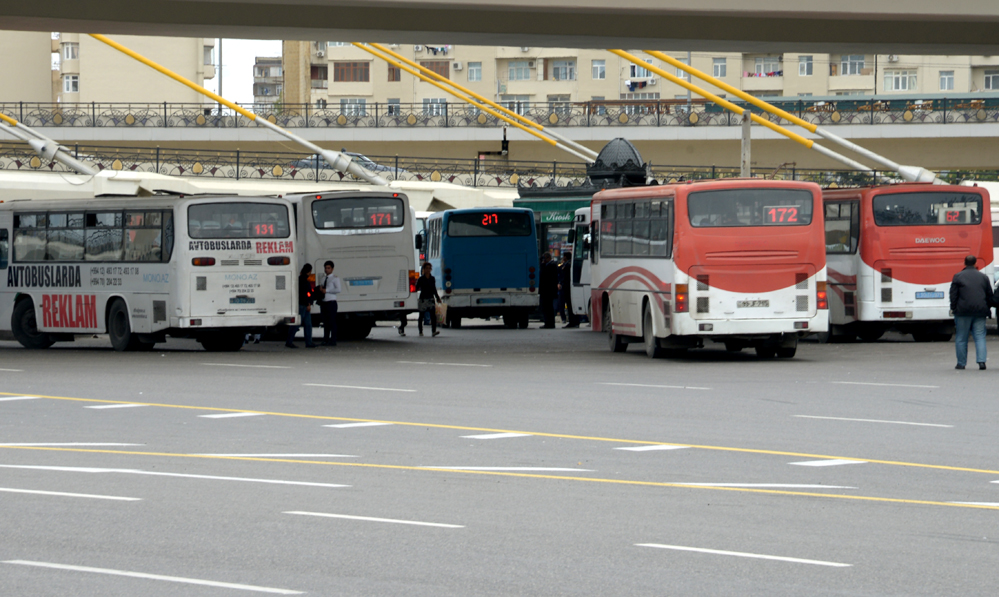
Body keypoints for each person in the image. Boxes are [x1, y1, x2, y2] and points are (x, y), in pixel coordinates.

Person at [949, 254, 993, 370]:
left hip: (962, 312)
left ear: (964, 263)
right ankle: (982, 362)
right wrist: (987, 308)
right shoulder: (983, 277)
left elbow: (953, 295)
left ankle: (961, 363)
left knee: (961, 338)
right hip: (980, 311)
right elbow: (989, 295)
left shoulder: (958, 277)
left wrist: (954, 308)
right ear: (975, 264)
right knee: (980, 337)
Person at [286, 264, 317, 348]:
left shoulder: (299, 279)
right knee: (304, 324)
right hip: (303, 305)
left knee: (304, 324)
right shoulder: (305, 281)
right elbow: (305, 293)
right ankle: (308, 342)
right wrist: (308, 303)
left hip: (301, 304)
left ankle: (290, 341)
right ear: (309, 271)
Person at [415, 263, 441, 337]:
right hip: (423, 299)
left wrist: (437, 298)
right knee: (421, 316)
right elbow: (416, 288)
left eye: (429, 268)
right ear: (423, 269)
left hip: (430, 298)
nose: (428, 270)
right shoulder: (421, 279)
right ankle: (420, 331)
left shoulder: (432, 278)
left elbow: (434, 289)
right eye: (426, 268)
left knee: (433, 315)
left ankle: (433, 331)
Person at [318, 260, 341, 346]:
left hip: (331, 302)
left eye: (328, 268)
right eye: (325, 268)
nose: (327, 270)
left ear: (332, 269)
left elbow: (338, 289)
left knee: (332, 322)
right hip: (324, 302)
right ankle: (325, 339)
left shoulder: (335, 278)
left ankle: (333, 340)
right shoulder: (323, 278)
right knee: (325, 322)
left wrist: (327, 290)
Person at [558, 252, 580, 328]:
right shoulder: (570, 264)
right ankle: (575, 321)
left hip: (568, 287)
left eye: (563, 256)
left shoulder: (568, 265)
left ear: (565, 257)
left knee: (570, 305)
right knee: (572, 304)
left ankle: (572, 321)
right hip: (569, 287)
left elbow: (565, 277)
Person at [539, 252, 558, 329]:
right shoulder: (546, 265)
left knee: (548, 308)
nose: (544, 260)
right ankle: (547, 322)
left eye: (545, 258)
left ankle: (549, 323)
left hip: (548, 290)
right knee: (545, 307)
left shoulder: (552, 265)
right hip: (545, 290)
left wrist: (543, 264)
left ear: (549, 258)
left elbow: (545, 275)